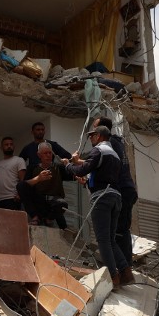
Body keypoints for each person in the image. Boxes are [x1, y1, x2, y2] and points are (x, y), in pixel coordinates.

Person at [65, 125, 130, 289]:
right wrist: (87, 182)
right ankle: (126, 271)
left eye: (92, 135)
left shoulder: (99, 151)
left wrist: (68, 166)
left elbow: (83, 169)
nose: (91, 138)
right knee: (110, 239)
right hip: (115, 198)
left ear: (100, 136)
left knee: (102, 240)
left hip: (102, 198)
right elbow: (101, 175)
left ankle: (113, 276)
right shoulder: (114, 154)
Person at [94, 116, 138, 267]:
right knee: (119, 229)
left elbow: (105, 166)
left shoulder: (109, 145)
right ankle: (123, 265)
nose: (93, 133)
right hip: (125, 189)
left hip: (122, 189)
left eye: (95, 129)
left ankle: (124, 266)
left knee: (120, 230)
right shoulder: (116, 143)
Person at [19, 142, 69, 228]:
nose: (48, 155)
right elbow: (23, 185)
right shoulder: (33, 168)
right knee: (20, 186)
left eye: (50, 153)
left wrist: (68, 165)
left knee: (62, 204)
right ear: (39, 155)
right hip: (39, 202)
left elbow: (74, 174)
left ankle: (48, 219)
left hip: (54, 203)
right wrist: (38, 178)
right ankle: (35, 217)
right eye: (45, 153)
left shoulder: (58, 168)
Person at [0, 137, 26, 211]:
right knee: (0, 222)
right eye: (6, 144)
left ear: (14, 146)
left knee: (12, 222)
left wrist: (19, 194)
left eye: (11, 144)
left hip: (13, 198)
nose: (9, 146)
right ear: (1, 147)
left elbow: (22, 180)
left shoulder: (19, 160)